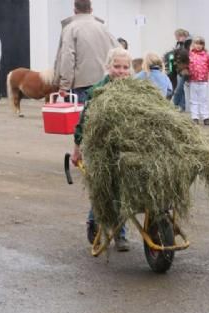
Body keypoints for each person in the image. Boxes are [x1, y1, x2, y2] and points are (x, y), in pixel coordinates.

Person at [71, 47, 132, 252]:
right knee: (105, 189)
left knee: (122, 190)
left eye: (125, 67)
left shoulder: (137, 90)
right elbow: (83, 122)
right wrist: (77, 149)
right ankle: (96, 221)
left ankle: (119, 233)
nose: (121, 71)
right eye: (117, 66)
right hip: (102, 148)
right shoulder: (98, 92)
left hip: (127, 149)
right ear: (108, 67)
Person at [53, 0, 119, 104]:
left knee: (81, 118)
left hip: (81, 87)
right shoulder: (103, 28)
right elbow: (118, 51)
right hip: (104, 84)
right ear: (91, 10)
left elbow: (67, 58)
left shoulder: (70, 29)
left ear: (75, 10)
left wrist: (64, 86)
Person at [188, 36, 209, 125]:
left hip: (203, 81)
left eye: (201, 44)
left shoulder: (206, 55)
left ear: (203, 45)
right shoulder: (190, 54)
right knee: (193, 100)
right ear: (193, 44)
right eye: (196, 43)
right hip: (193, 80)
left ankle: (205, 117)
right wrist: (186, 77)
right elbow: (186, 66)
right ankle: (195, 117)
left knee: (203, 99)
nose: (198, 46)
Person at [172, 28, 192, 112]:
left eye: (177, 36)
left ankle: (174, 104)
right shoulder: (179, 44)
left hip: (184, 69)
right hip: (179, 69)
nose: (176, 38)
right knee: (180, 89)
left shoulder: (187, 44)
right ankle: (182, 106)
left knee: (178, 89)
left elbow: (187, 56)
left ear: (181, 36)